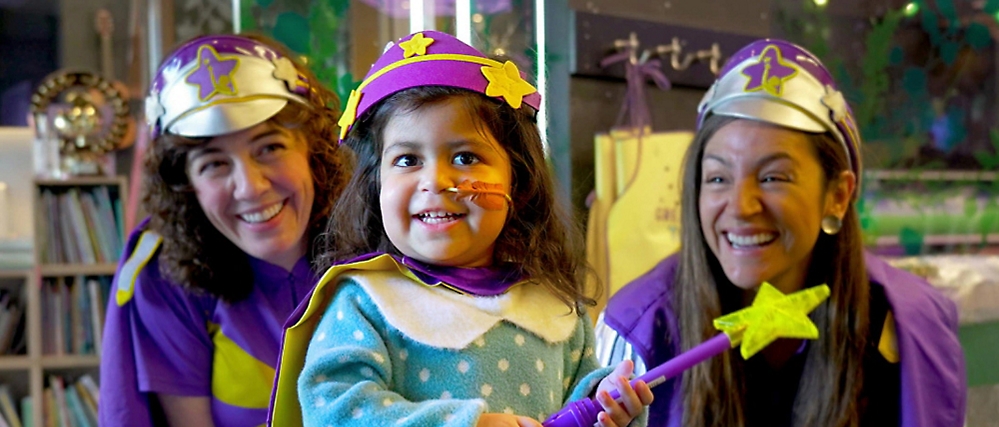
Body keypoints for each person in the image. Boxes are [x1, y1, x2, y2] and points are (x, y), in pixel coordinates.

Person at [268, 30, 653, 427]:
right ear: (375, 184)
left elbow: (574, 410)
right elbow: (333, 411)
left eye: (466, 157)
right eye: (407, 159)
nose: (435, 182)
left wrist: (605, 407)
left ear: (516, 183)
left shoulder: (553, 306)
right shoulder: (364, 303)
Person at [596, 39, 966, 427]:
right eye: (718, 178)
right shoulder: (638, 330)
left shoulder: (911, 326)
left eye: (773, 177)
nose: (741, 207)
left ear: (837, 195)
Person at [98, 34, 350, 427]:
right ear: (186, 186)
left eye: (270, 147)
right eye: (214, 164)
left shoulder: (384, 243)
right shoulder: (168, 278)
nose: (250, 187)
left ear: (313, 151)